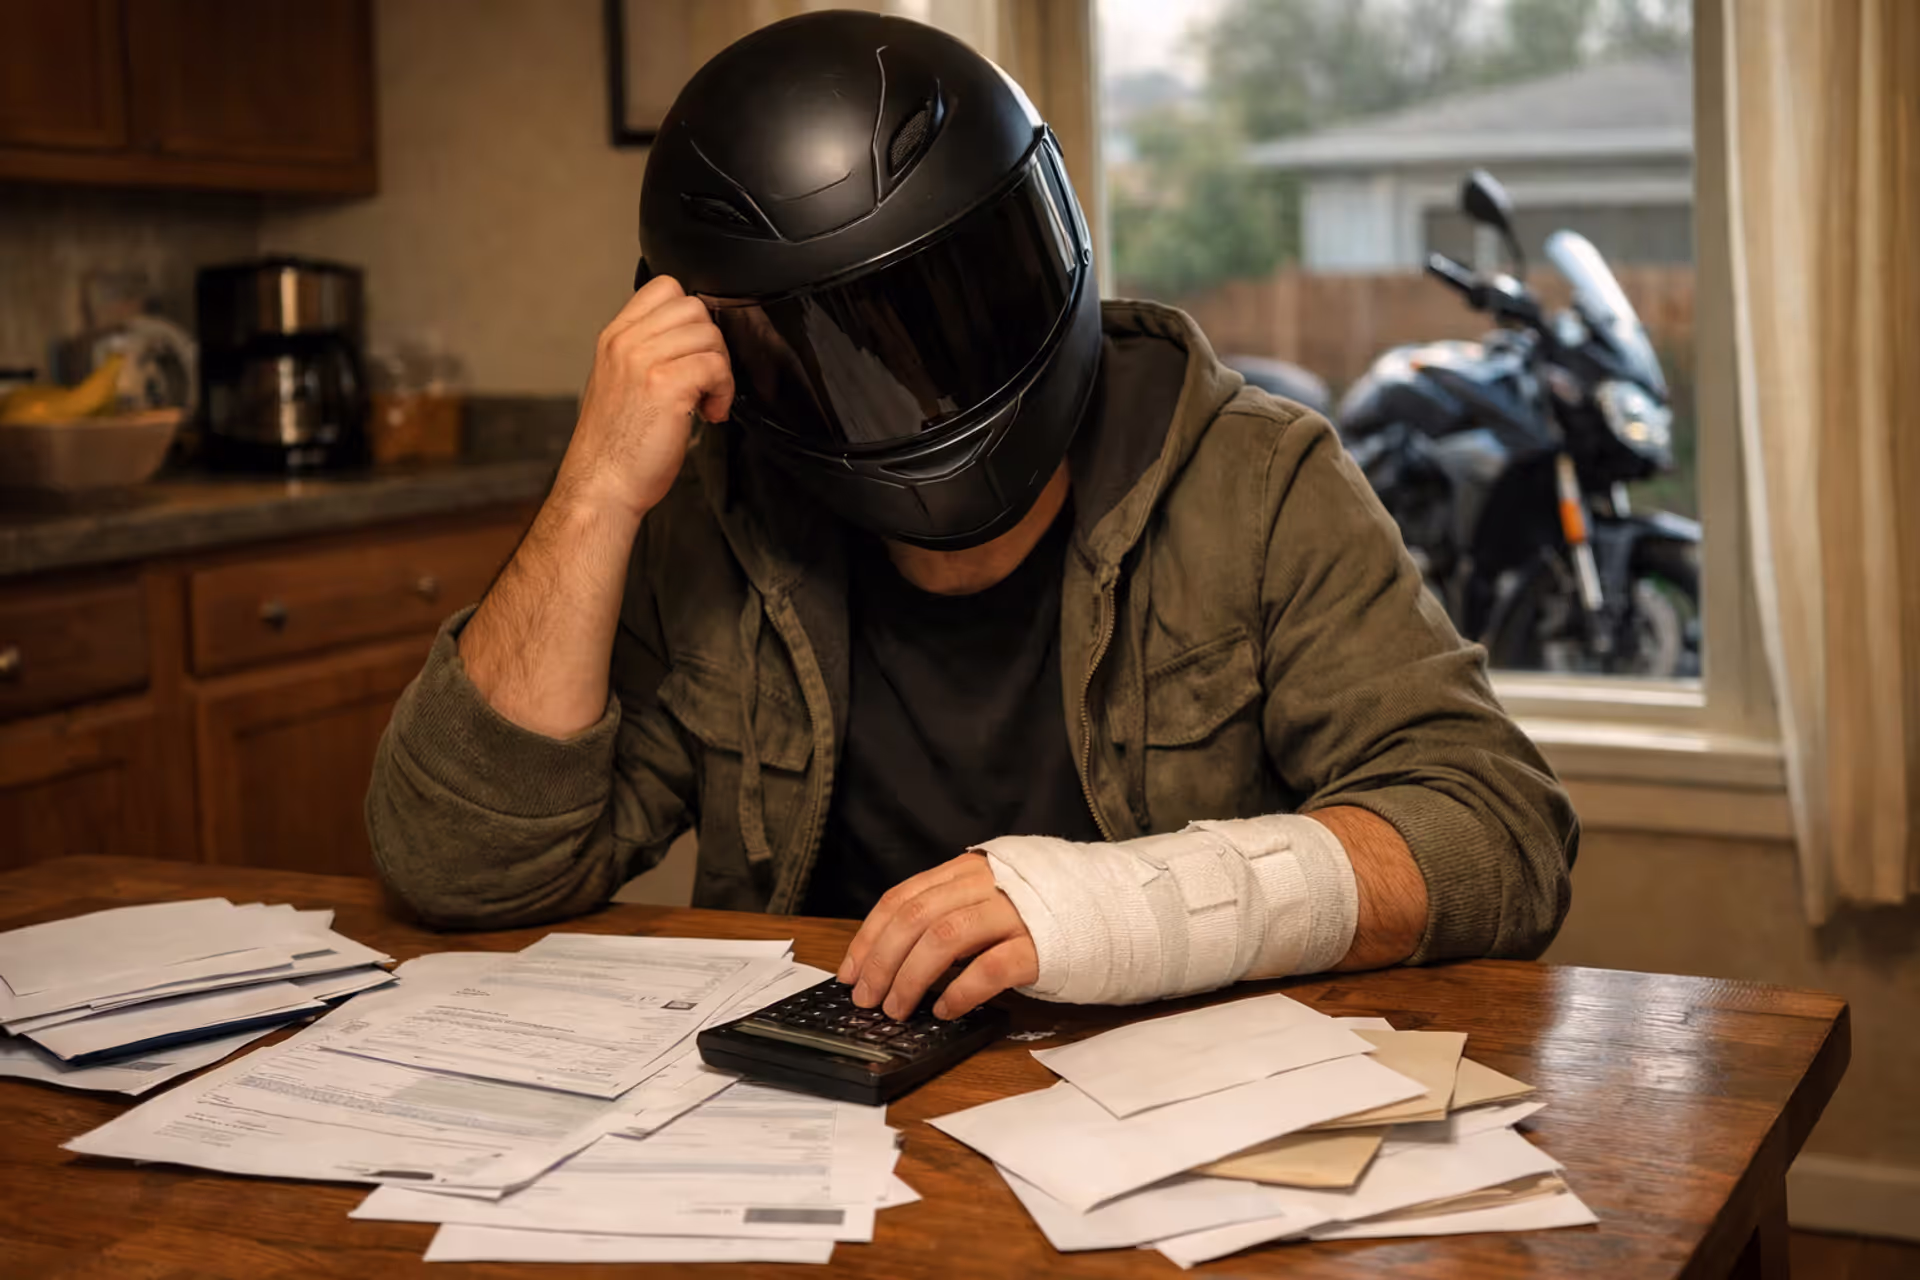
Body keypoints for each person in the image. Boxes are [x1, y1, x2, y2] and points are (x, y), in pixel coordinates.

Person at [366, 11, 1576, 1024]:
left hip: (1169, 1118)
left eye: (962, 304)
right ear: (723, 357)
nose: (929, 391)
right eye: (850, 355)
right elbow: (460, 867)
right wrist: (597, 485)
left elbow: (1495, 829)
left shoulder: (1253, 478)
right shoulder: (714, 522)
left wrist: (1116, 907)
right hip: (823, 1119)